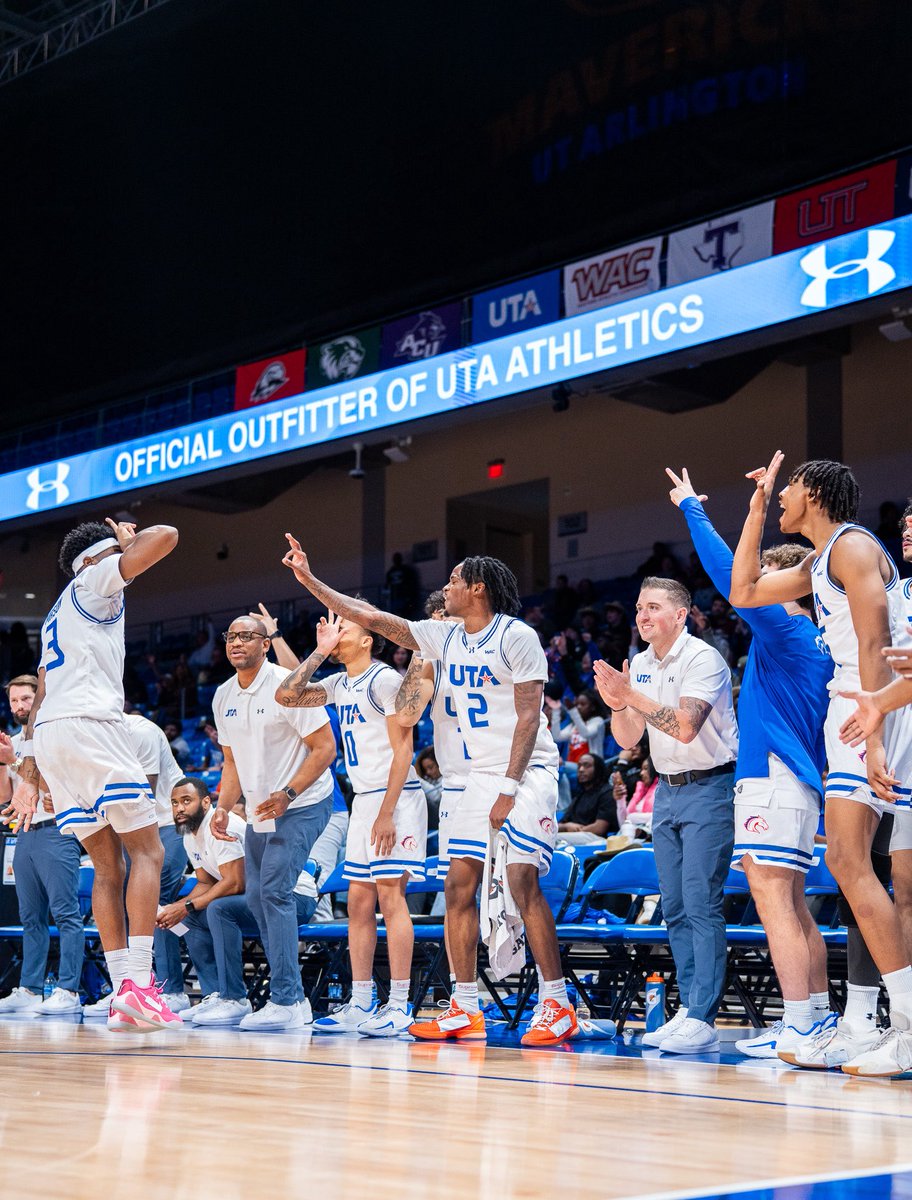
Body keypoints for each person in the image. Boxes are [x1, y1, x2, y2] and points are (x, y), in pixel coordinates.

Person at [281, 538, 576, 1046]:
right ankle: (465, 1006)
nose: (446, 585)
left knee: (520, 879)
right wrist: (309, 580)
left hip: (526, 771)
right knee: (457, 888)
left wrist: (508, 788)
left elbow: (530, 717)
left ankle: (557, 1002)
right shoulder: (444, 637)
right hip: (475, 777)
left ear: (478, 588)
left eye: (455, 579)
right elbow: (371, 618)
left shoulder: (517, 635)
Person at [729, 454, 912, 1078]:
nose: (781, 496)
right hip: (857, 703)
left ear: (813, 491)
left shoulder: (853, 546)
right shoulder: (819, 559)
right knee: (849, 864)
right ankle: (879, 1024)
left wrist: (877, 732)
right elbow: (743, 590)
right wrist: (755, 510)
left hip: (871, 702)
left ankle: (904, 1027)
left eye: (787, 488)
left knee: (852, 863)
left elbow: (874, 640)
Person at [667, 466, 833, 1061]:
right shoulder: (818, 640)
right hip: (797, 782)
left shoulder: (784, 627)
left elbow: (724, 573)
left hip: (773, 777)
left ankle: (801, 1025)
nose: (753, 584)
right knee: (792, 905)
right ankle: (815, 1016)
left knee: (772, 901)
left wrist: (692, 508)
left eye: (763, 576)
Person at [6, 517, 182, 1032]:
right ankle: (140, 985)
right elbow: (167, 536)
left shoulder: (57, 612)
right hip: (92, 726)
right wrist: (127, 543)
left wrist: (32, 770)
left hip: (53, 737)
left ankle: (123, 991)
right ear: (97, 557)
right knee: (147, 851)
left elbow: (41, 691)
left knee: (108, 867)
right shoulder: (94, 579)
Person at [594, 576, 738, 1055]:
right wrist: (618, 703)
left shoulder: (703, 658)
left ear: (680, 615)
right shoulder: (639, 663)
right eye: (640, 607)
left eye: (653, 607)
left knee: (700, 902)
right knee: (673, 907)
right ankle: (689, 1009)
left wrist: (630, 695)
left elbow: (684, 727)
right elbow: (627, 739)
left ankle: (703, 1016)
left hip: (710, 786)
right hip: (666, 791)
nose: (643, 615)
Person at [275, 608, 426, 1038]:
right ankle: (361, 1002)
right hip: (364, 799)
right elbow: (287, 696)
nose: (336, 633)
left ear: (367, 639)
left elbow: (404, 751)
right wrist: (319, 652)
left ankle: (399, 1004)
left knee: (390, 898)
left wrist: (386, 812)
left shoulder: (384, 680)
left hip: (395, 799)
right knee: (358, 903)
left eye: (344, 629)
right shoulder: (341, 683)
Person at [207, 613, 335, 1030]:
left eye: (247, 635)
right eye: (231, 636)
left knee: (275, 891)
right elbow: (231, 762)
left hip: (304, 802)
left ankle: (290, 1000)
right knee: (257, 898)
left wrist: (289, 794)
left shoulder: (287, 685)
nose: (236, 642)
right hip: (262, 809)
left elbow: (325, 748)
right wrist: (224, 806)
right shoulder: (223, 695)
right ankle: (278, 996)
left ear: (266, 644)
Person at [0, 675, 85, 1016]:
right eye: (13, 701)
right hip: (23, 834)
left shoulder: (52, 735)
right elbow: (6, 798)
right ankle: (30, 989)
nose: (19, 706)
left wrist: (14, 761)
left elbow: (49, 787)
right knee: (30, 917)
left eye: (25, 699)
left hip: (56, 831)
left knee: (66, 914)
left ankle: (68, 989)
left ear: (38, 700)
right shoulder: (12, 742)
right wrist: (3, 762)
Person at [156, 776, 246, 1018]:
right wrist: (175, 908)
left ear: (206, 802)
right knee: (183, 917)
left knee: (217, 909)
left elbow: (235, 882)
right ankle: (213, 994)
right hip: (247, 899)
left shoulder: (221, 825)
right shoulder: (189, 836)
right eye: (174, 803)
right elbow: (206, 882)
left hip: (288, 896)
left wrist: (186, 905)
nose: (179, 808)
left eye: (187, 801)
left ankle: (235, 998)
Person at [122, 710, 188, 1014]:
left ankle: (171, 989)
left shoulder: (142, 731)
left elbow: (142, 793)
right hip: (133, 823)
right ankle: (129, 984)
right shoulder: (98, 739)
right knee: (129, 900)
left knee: (154, 899)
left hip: (168, 821)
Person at [558, 754, 618, 844]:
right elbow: (558, 825)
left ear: (598, 769)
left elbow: (599, 829)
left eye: (587, 766)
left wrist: (575, 830)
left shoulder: (607, 792)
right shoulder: (580, 795)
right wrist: (567, 826)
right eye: (579, 766)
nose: (581, 770)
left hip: (597, 839)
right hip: (576, 837)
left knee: (553, 840)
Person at [546, 690, 606, 762]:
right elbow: (557, 737)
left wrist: (573, 711)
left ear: (593, 707)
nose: (579, 707)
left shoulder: (598, 721)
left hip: (590, 765)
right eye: (577, 704)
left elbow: (586, 734)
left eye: (582, 704)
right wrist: (556, 710)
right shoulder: (574, 725)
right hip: (572, 765)